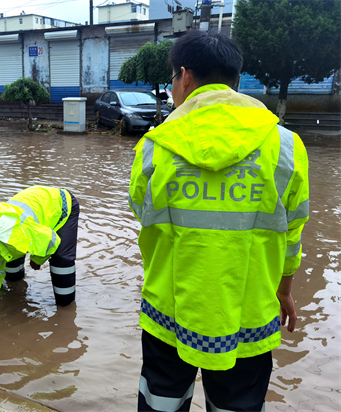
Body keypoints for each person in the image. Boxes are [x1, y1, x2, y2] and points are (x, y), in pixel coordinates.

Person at [128, 30, 309, 411]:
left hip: (169, 314)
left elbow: (143, 217)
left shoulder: (153, 147)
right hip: (249, 313)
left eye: (174, 81)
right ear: (237, 81)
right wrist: (285, 289)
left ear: (185, 77)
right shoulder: (288, 147)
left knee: (161, 404)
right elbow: (292, 232)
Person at [0, 186, 79, 307]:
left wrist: (36, 260)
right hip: (32, 202)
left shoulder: (18, 234)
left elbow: (51, 240)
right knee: (8, 257)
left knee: (61, 259)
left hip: (61, 204)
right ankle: (17, 285)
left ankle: (66, 306)